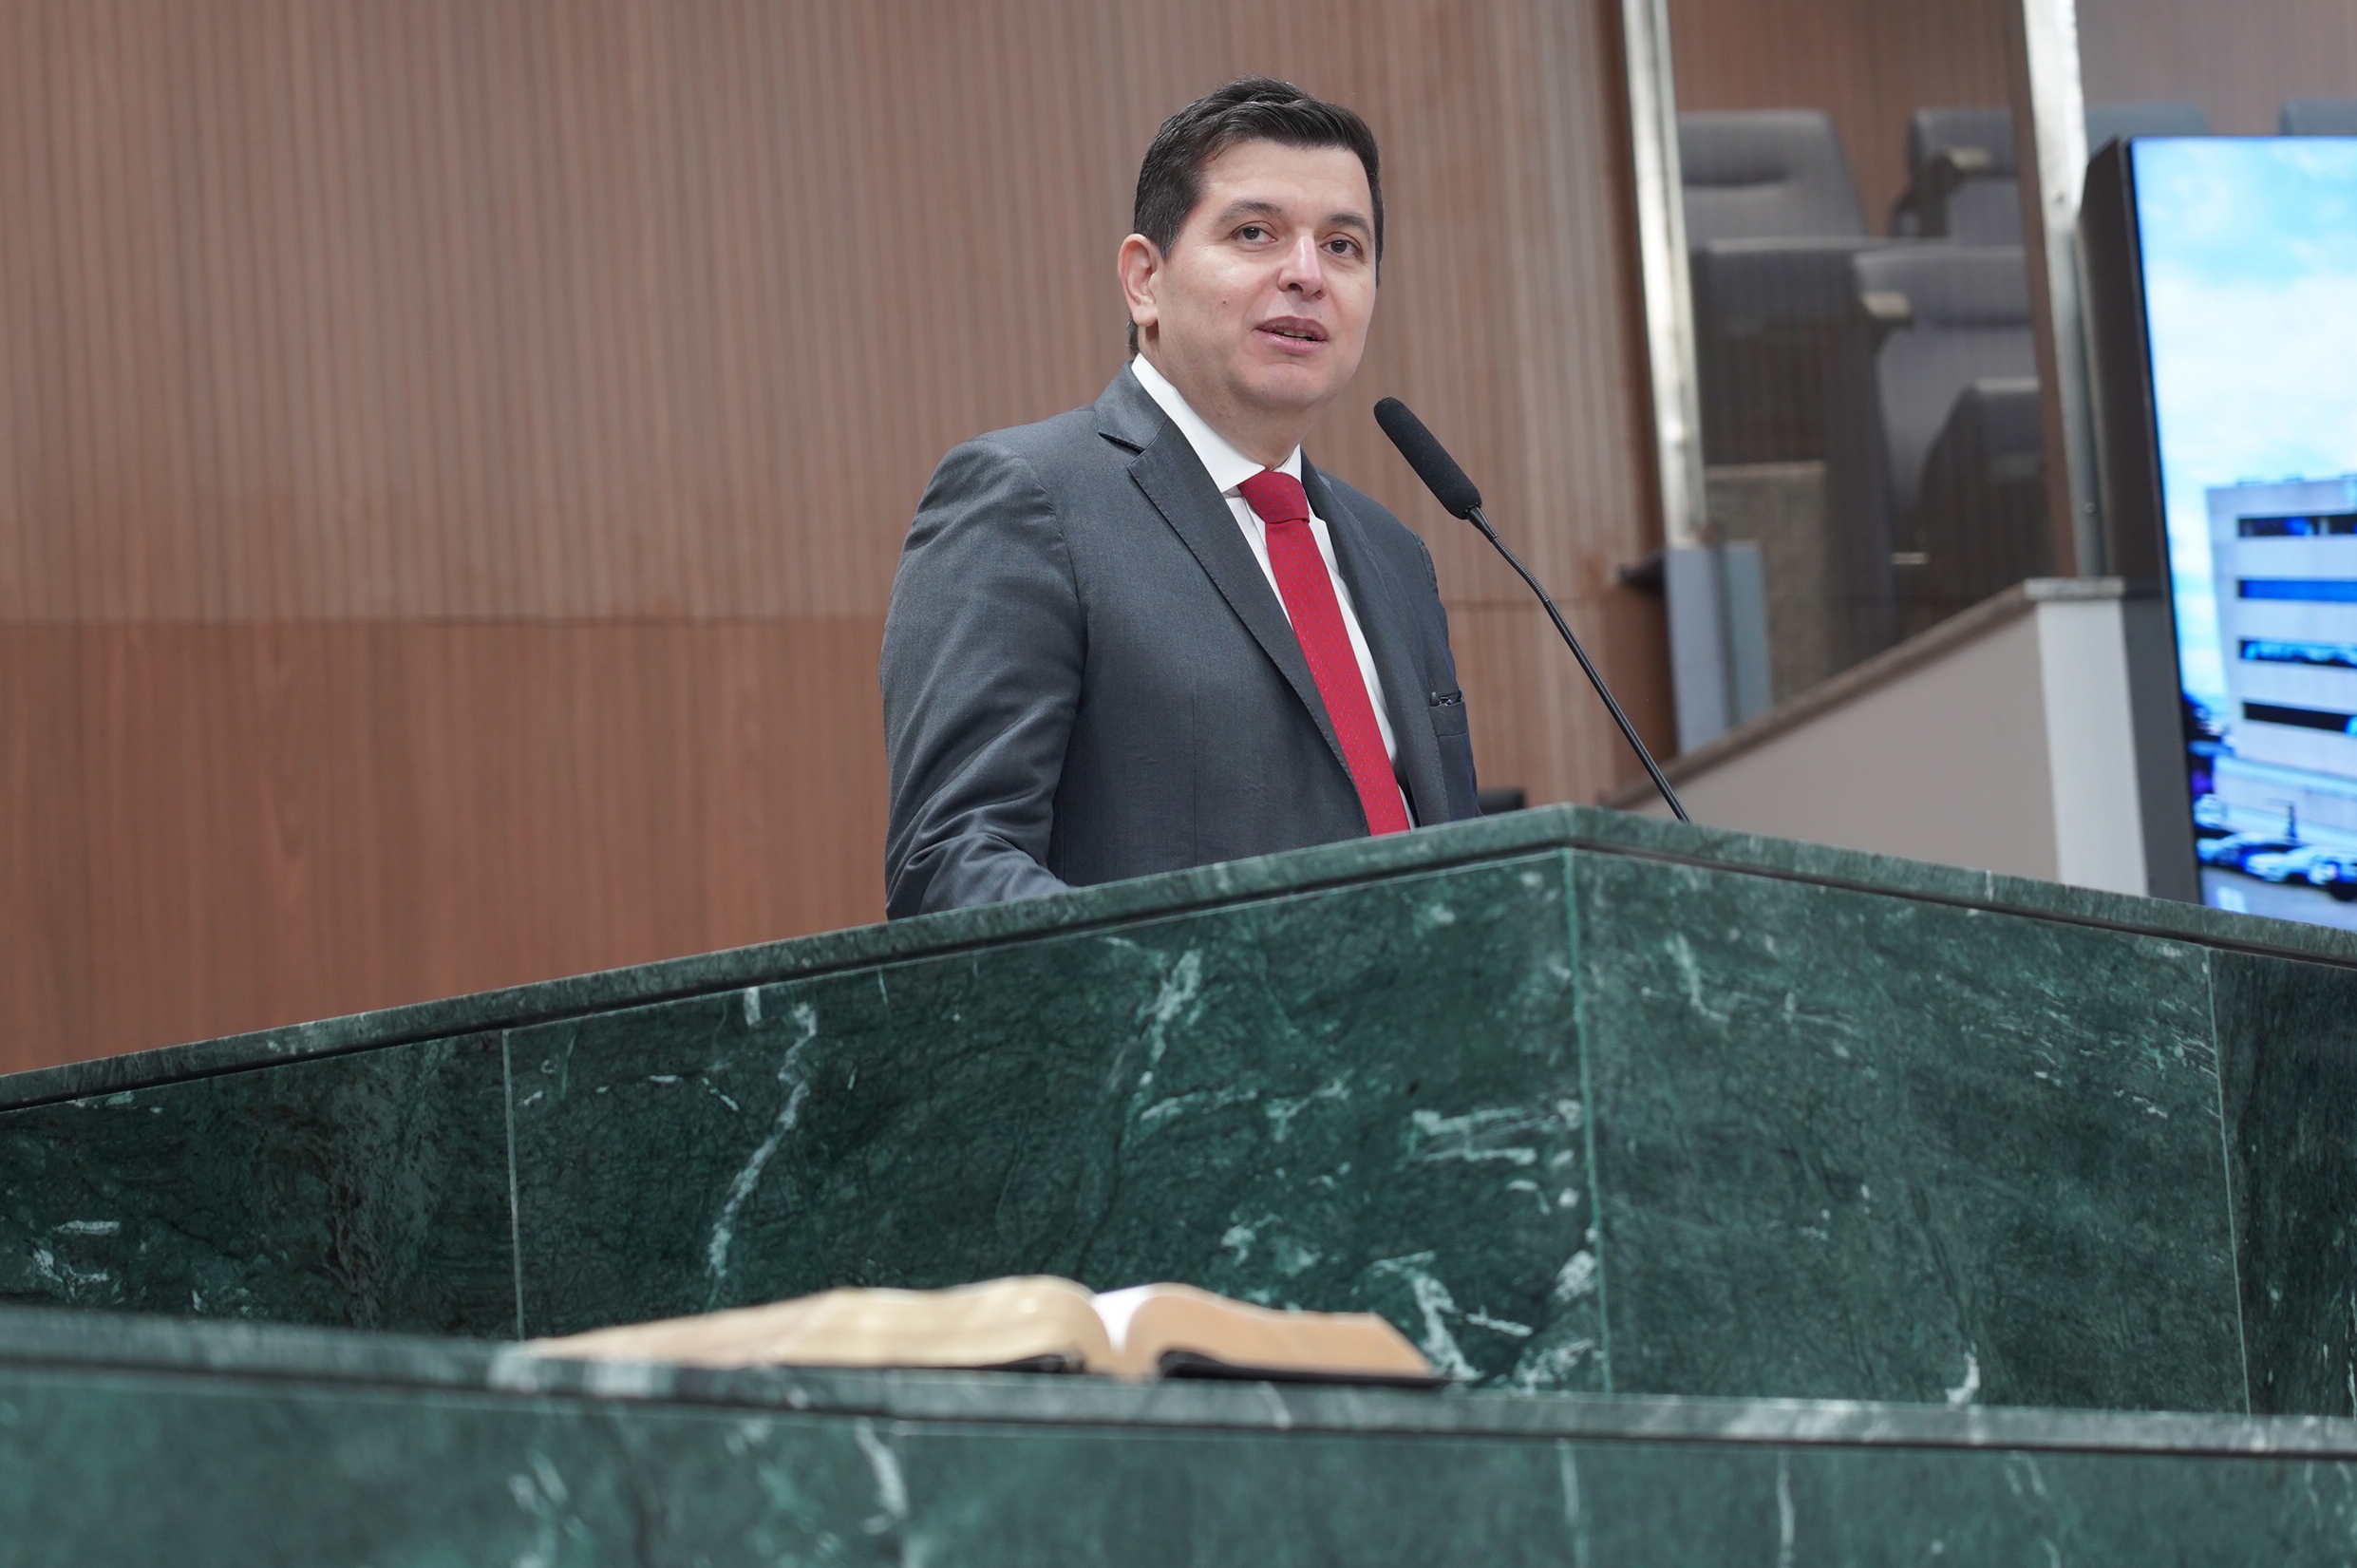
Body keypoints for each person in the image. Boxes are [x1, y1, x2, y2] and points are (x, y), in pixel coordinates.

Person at [880, 77, 1480, 918]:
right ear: (1144, 280)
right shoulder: (1029, 500)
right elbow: (952, 865)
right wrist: (1192, 982)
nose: (1307, 274)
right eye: (1254, 232)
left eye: (1344, 246)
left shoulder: (1394, 553)